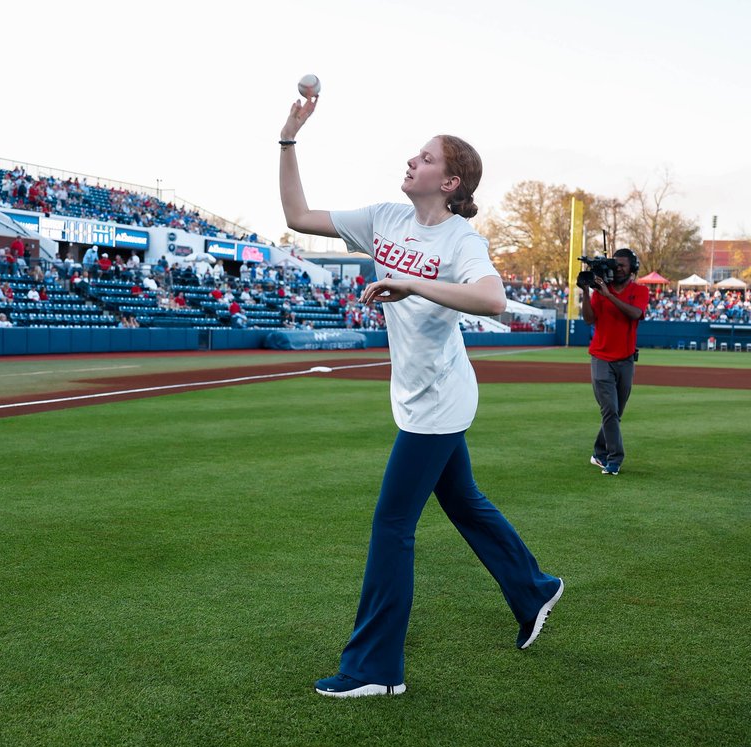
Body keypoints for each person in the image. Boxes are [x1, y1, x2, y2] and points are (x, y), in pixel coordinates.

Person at [278, 95, 562, 699]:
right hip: (413, 392)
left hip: (441, 398)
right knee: (463, 501)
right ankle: (534, 588)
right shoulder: (384, 218)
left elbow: (491, 299)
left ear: (450, 182)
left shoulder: (462, 240)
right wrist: (289, 139)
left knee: (392, 524)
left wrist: (412, 283)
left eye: (426, 158)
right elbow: (298, 216)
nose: (412, 160)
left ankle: (375, 668)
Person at [580, 249, 649, 476]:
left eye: (622, 265)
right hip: (601, 357)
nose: (617, 268)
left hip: (626, 359)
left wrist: (609, 295)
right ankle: (614, 459)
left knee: (616, 412)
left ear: (632, 268)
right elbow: (589, 319)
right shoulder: (600, 292)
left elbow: (635, 313)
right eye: (615, 264)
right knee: (609, 408)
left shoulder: (639, 291)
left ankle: (599, 452)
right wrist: (586, 292)